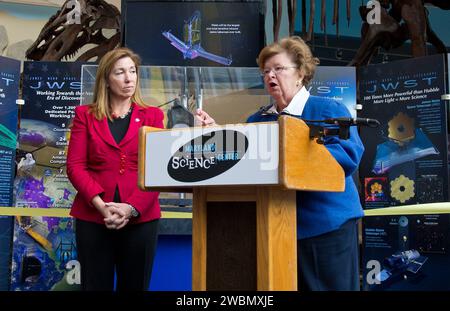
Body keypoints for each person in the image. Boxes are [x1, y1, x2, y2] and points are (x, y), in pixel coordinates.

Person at [195, 36, 364, 291]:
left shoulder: (327, 109)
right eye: (265, 71)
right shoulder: (257, 119)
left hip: (325, 228)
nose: (270, 75)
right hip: (273, 228)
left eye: (278, 68)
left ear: (301, 73)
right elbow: (242, 159)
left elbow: (348, 157)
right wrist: (217, 134)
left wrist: (292, 150)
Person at [67, 47, 164, 290]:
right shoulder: (85, 115)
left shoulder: (153, 116)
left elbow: (158, 169)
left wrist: (131, 209)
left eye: (132, 71)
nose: (129, 78)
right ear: (106, 80)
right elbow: (75, 166)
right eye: (120, 72)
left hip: (141, 217)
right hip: (94, 216)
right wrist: (101, 206)